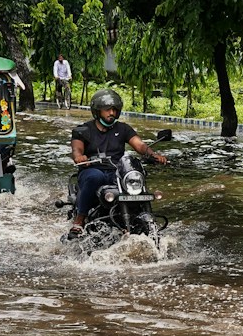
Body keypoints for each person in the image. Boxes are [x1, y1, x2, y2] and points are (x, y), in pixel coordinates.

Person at [66, 89, 167, 238]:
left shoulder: (123, 129)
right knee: (95, 177)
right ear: (97, 111)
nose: (111, 113)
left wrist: (152, 155)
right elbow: (77, 149)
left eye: (114, 109)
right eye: (107, 109)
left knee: (134, 180)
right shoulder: (83, 130)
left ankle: (141, 218)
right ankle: (79, 220)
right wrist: (80, 157)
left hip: (116, 171)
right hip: (92, 169)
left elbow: (139, 145)